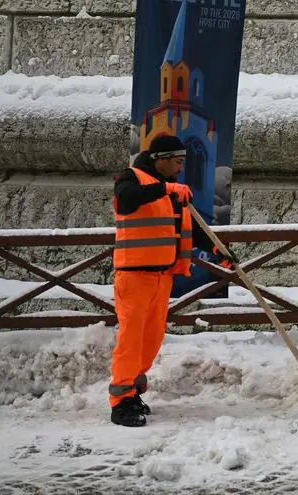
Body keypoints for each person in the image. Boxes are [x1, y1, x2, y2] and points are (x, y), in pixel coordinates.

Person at [109, 134, 232, 427]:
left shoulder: (172, 192)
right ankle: (119, 401)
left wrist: (219, 251)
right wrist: (165, 189)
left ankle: (133, 391)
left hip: (162, 276)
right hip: (134, 275)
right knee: (130, 339)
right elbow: (126, 201)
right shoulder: (132, 178)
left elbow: (190, 226)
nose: (180, 168)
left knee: (150, 340)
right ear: (160, 160)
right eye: (177, 162)